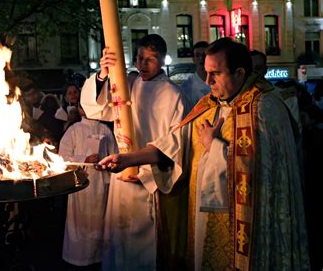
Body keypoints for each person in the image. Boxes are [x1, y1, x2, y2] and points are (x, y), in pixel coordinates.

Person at [97, 38, 309, 270]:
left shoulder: (266, 108)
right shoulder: (209, 104)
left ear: (239, 73)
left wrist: (214, 146)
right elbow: (172, 145)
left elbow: (263, 176)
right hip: (205, 219)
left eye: (215, 74)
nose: (208, 81)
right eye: (206, 73)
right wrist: (126, 159)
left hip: (251, 227)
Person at [81, 34, 190, 270]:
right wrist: (103, 74)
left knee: (143, 251)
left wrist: (135, 164)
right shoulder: (128, 83)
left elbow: (174, 145)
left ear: (162, 60)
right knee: (117, 244)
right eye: (140, 58)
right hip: (120, 176)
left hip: (149, 181)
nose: (143, 64)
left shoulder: (174, 95)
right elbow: (96, 108)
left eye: (151, 59)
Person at [59, 105, 117, 269]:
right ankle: (78, 257)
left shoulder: (105, 129)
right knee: (79, 220)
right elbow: (63, 156)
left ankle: (97, 255)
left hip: (99, 182)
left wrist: (105, 163)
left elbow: (114, 153)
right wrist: (85, 158)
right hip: (81, 181)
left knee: (98, 219)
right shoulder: (74, 129)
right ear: (80, 110)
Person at [180, 41, 210, 106]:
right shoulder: (187, 87)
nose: (201, 59)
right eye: (197, 55)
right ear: (193, 59)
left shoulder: (217, 82)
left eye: (204, 55)